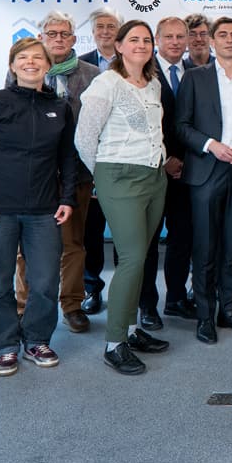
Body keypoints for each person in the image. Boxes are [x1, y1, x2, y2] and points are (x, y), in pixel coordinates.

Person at [0, 37, 78, 376]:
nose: (31, 63)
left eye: (37, 58)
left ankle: (37, 340)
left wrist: (67, 198)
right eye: (23, 58)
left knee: (44, 282)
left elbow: (67, 158)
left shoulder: (60, 107)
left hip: (44, 210)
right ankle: (5, 346)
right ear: (13, 66)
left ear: (48, 65)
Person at [74, 20, 171, 375]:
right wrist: (102, 176)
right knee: (131, 258)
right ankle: (114, 343)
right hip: (119, 177)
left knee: (142, 256)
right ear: (118, 46)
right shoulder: (105, 84)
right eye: (134, 40)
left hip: (153, 176)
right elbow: (84, 138)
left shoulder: (153, 84)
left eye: (146, 40)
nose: (142, 45)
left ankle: (131, 330)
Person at [176, 17, 232, 345]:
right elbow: (181, 125)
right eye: (223, 35)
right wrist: (210, 144)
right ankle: (205, 315)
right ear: (212, 42)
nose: (229, 40)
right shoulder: (195, 79)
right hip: (205, 172)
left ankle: (228, 309)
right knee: (205, 248)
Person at [17, 11, 100, 333]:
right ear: (41, 38)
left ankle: (72, 305)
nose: (58, 39)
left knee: (73, 245)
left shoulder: (92, 75)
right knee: (28, 248)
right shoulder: (24, 72)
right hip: (32, 177)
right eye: (52, 34)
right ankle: (24, 306)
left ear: (74, 39)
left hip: (76, 175)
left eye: (65, 34)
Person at [154, 15, 197, 323]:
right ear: (157, 40)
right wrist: (165, 159)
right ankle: (145, 306)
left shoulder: (197, 73)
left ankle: (177, 298)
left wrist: (186, 161)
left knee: (183, 238)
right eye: (168, 37)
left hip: (189, 171)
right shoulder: (143, 72)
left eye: (180, 37)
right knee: (147, 242)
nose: (175, 42)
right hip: (153, 171)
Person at [79, 7, 120, 318]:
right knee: (91, 235)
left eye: (111, 27)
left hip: (124, 163)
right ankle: (92, 289)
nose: (106, 32)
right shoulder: (81, 67)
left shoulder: (137, 64)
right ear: (92, 32)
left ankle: (125, 289)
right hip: (91, 166)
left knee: (125, 234)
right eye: (100, 27)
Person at [78, 6, 121, 71]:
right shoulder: (80, 63)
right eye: (100, 27)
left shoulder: (131, 59)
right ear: (93, 31)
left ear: (120, 31)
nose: (105, 31)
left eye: (111, 26)